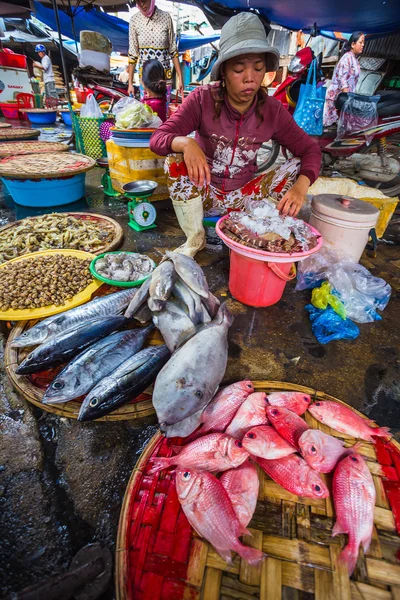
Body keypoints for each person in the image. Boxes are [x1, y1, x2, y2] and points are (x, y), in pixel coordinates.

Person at [150, 12, 322, 257]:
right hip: (205, 193)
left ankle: (265, 234)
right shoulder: (201, 99)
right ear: (223, 72)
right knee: (174, 159)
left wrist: (301, 187)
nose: (250, 78)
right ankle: (195, 238)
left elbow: (310, 150)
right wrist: (186, 142)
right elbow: (158, 139)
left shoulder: (272, 110)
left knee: (296, 167)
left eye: (258, 68)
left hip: (246, 199)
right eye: (239, 69)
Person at [128, 0, 183, 102]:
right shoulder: (134, 20)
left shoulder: (166, 18)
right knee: (147, 114)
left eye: (144, 1)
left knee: (163, 112)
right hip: (145, 81)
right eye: (138, 2)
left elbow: (173, 50)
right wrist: (130, 83)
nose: (141, 5)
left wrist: (180, 78)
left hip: (163, 80)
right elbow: (132, 54)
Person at [323, 32, 365, 127]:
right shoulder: (347, 58)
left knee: (340, 128)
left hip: (343, 99)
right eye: (360, 42)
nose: (363, 45)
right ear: (353, 44)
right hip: (337, 99)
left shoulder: (354, 59)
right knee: (330, 128)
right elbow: (343, 81)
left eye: (363, 43)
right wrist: (346, 99)